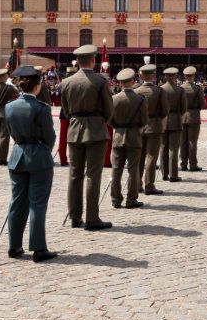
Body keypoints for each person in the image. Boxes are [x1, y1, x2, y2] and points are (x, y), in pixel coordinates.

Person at [5, 65, 57, 262]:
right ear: (37, 87)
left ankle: (14, 246)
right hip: (38, 157)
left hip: (17, 155)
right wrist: (42, 151)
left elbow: (11, 132)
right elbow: (49, 137)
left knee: (17, 203)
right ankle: (38, 248)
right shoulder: (41, 108)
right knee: (37, 203)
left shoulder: (9, 107)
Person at [60, 45, 114, 230]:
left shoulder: (66, 82)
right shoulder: (100, 81)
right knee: (93, 175)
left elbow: (66, 111)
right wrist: (99, 121)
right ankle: (92, 218)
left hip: (74, 130)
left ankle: (75, 217)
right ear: (93, 60)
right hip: (96, 130)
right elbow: (109, 110)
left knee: (75, 175)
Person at [109, 68, 148, 209]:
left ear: (120, 83)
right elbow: (144, 120)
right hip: (134, 136)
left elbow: (109, 119)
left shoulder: (113, 99)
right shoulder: (140, 99)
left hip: (118, 136)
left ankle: (115, 199)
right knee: (133, 170)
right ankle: (131, 199)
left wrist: (118, 127)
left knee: (116, 169)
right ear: (132, 81)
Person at [135, 63, 168, 195]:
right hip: (154, 125)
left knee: (139, 157)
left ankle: (137, 185)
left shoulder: (135, 90)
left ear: (140, 75)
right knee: (151, 156)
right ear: (153, 76)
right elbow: (165, 111)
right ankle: (149, 185)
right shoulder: (159, 91)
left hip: (139, 127)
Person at [159, 67, 187, 183]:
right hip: (175, 120)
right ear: (175, 76)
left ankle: (164, 174)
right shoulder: (180, 90)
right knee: (173, 149)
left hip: (163, 121)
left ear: (165, 76)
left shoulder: (160, 89)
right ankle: (173, 175)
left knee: (163, 147)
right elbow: (183, 109)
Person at [0, 68, 20, 165]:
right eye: (6, 75)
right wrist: (11, 84)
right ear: (3, 77)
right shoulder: (9, 88)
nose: (7, 76)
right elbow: (17, 92)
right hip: (6, 111)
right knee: (4, 136)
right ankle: (2, 159)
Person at [180, 66, 205, 172]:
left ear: (185, 76)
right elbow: (202, 104)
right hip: (194, 116)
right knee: (192, 142)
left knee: (183, 141)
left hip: (182, 117)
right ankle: (193, 164)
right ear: (194, 76)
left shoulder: (180, 88)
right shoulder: (197, 88)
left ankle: (183, 164)